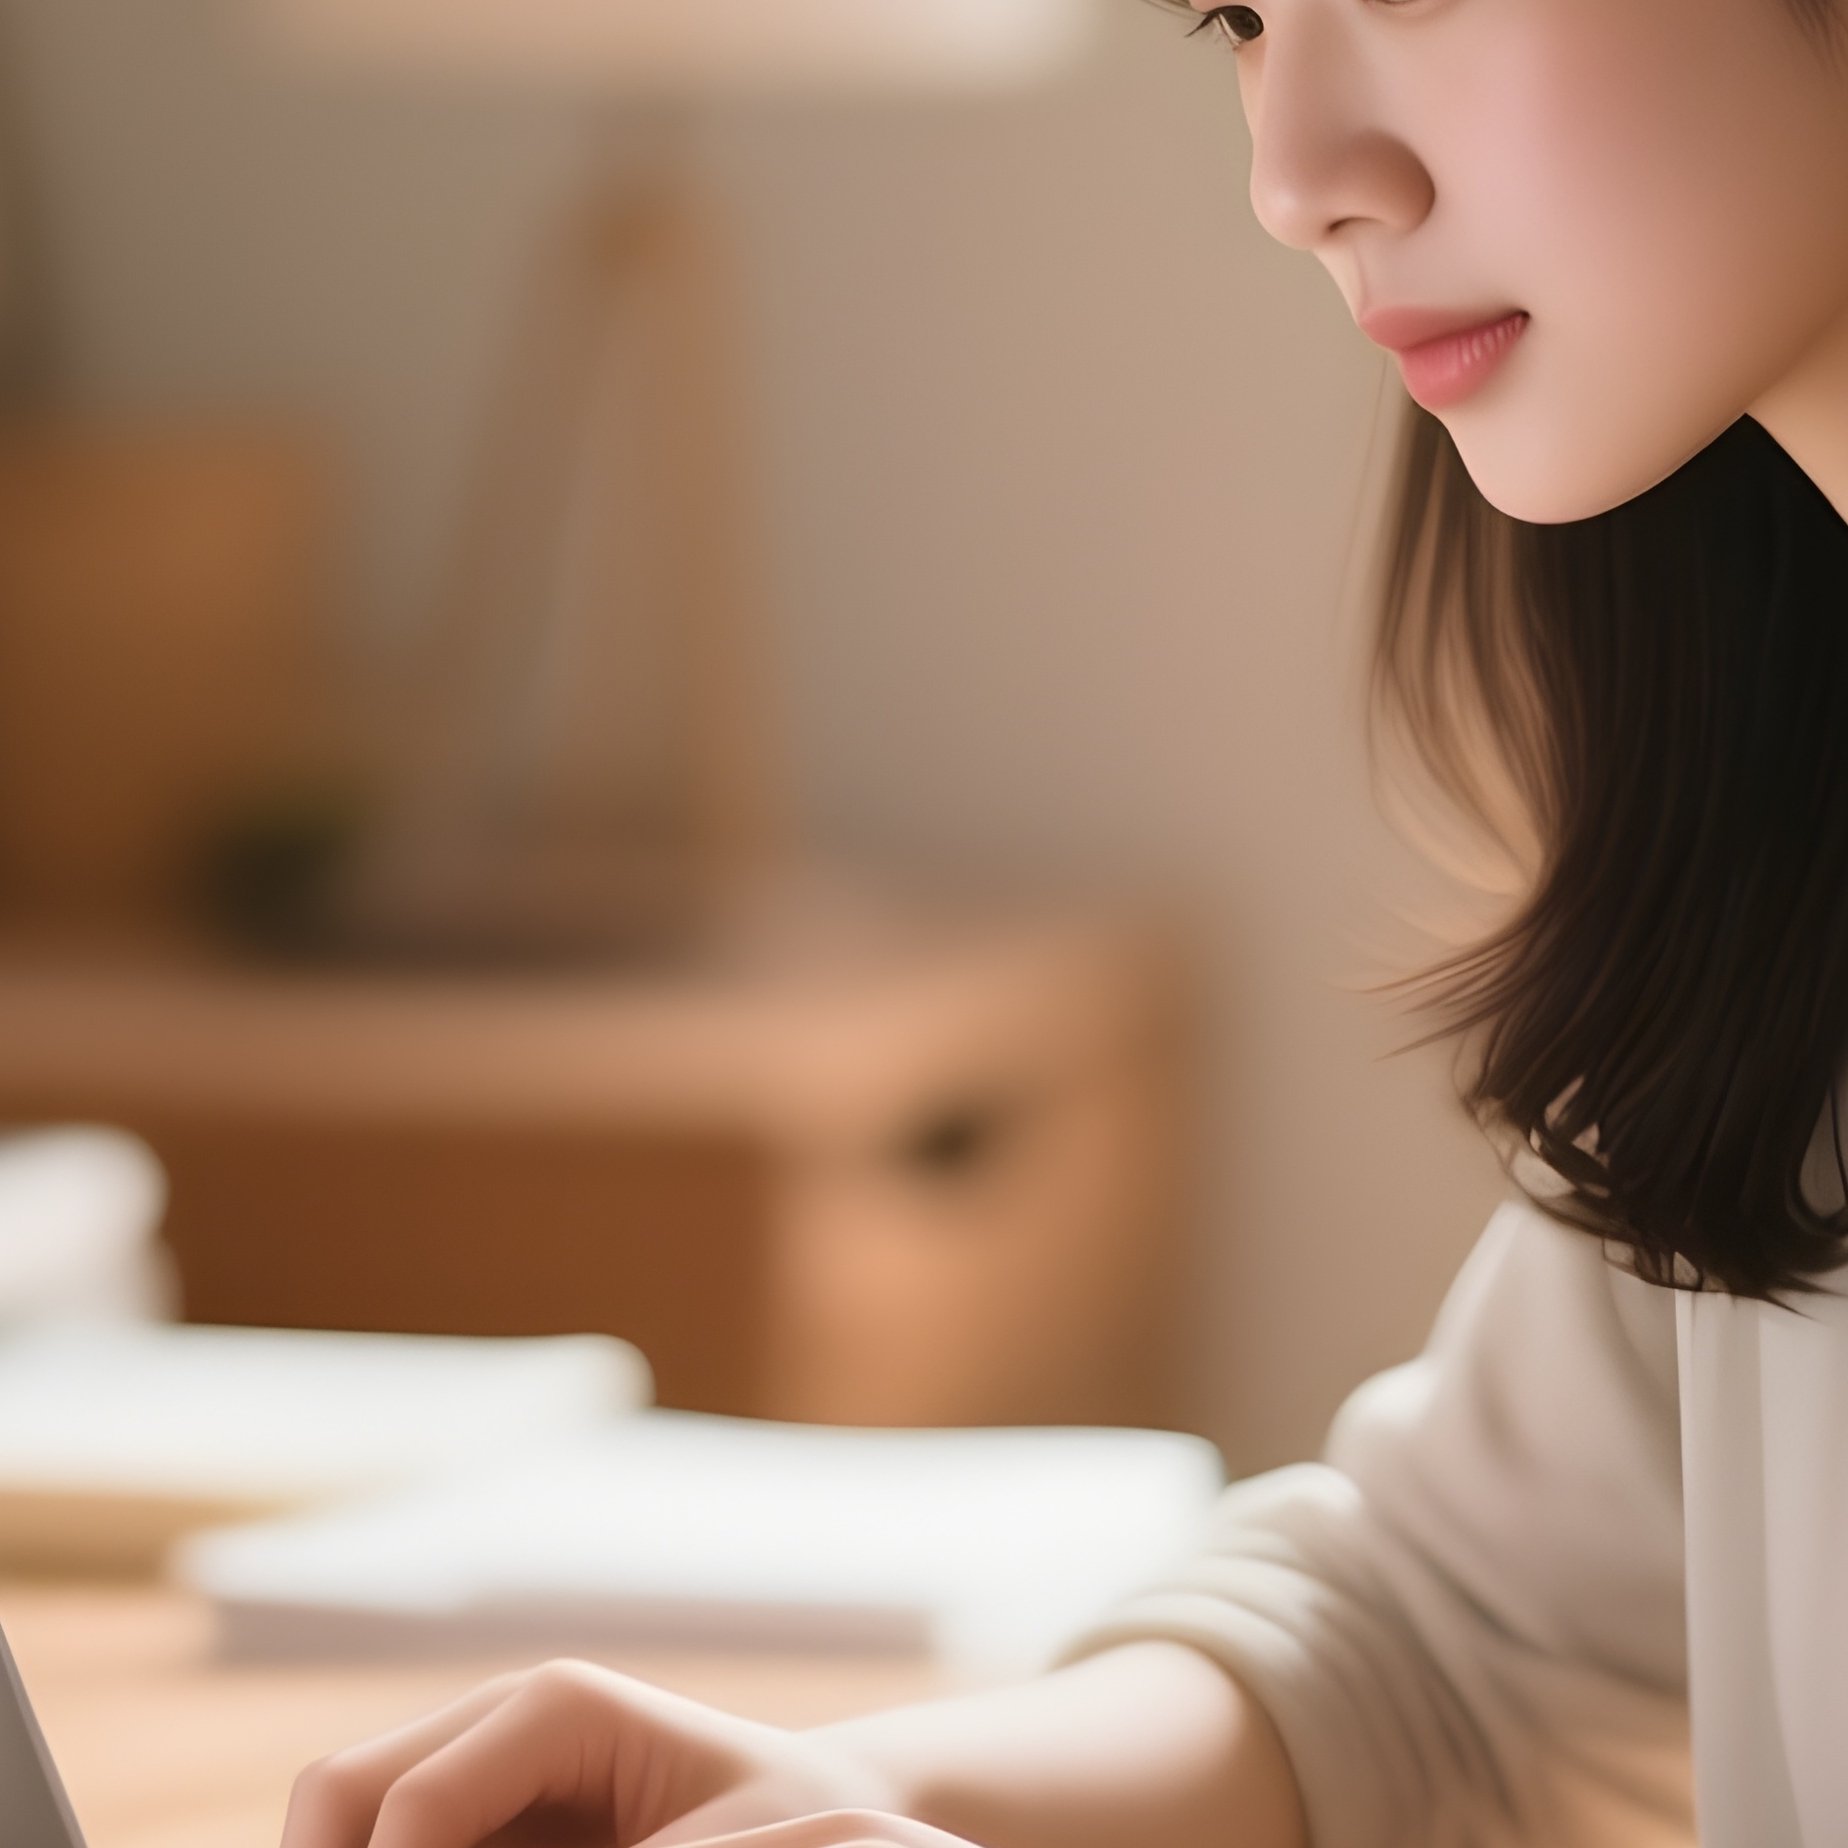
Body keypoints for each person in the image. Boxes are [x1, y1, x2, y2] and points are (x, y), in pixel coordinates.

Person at [279, 0, 1848, 1843]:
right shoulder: (1787, 832)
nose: (1294, 178)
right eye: (1242, 18)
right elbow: (1459, 1651)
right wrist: (860, 1793)